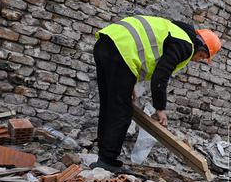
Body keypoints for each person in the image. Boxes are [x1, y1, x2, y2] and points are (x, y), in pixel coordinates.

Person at [93, 15, 221, 173]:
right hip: (122, 51)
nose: (197, 60)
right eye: (201, 56)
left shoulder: (174, 31)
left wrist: (130, 84)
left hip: (106, 42)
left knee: (109, 105)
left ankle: (103, 158)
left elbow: (141, 50)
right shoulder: (185, 44)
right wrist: (160, 108)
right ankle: (108, 161)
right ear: (200, 46)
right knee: (122, 110)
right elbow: (161, 75)